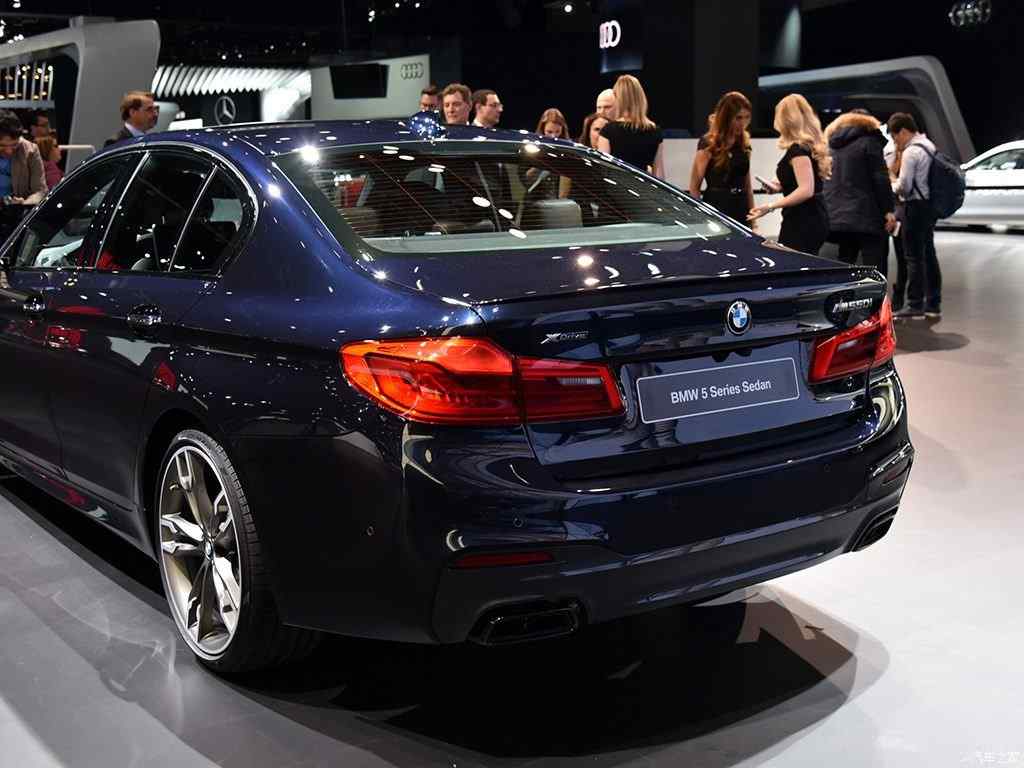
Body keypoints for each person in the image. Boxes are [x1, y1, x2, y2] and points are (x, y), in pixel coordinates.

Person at [748, 93, 831, 254]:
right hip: (809, 216)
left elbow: (806, 190)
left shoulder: (798, 151)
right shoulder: (806, 148)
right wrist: (778, 186)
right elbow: (802, 183)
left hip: (804, 219)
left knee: (793, 261)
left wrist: (770, 207)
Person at [822, 109, 896, 274]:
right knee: (875, 267)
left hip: (838, 217)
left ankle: (846, 291)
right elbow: (880, 179)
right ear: (868, 123)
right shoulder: (870, 142)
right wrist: (888, 210)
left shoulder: (832, 145)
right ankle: (875, 292)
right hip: (867, 215)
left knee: (845, 264)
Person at [888, 112, 941, 319]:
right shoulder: (928, 145)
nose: (896, 142)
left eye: (895, 137)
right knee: (929, 255)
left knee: (913, 257)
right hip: (928, 206)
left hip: (914, 207)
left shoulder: (911, 151)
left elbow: (904, 186)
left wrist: (891, 183)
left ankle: (914, 304)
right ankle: (933, 303)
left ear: (903, 131)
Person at [688, 91, 754, 223]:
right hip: (716, 207)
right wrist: (700, 218)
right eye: (738, 118)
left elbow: (747, 184)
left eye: (747, 117)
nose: (743, 123)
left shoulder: (744, 143)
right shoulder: (708, 144)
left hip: (741, 207)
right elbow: (694, 187)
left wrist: (754, 219)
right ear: (726, 117)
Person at [597, 75, 664, 178]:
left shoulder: (608, 131)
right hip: (642, 187)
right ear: (641, 97)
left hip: (617, 187)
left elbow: (603, 172)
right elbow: (659, 176)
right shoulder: (655, 131)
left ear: (618, 98)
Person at [0, 111, 47, 206]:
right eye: (2, 146)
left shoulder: (31, 150)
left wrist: (25, 203)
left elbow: (40, 191)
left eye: (14, 145)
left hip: (17, 210)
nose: (9, 151)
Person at [885, 138, 909, 310]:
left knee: (904, 257)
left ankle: (900, 294)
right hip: (890, 210)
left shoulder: (911, 155)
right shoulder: (889, 155)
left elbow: (902, 186)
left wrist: (892, 179)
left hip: (903, 212)